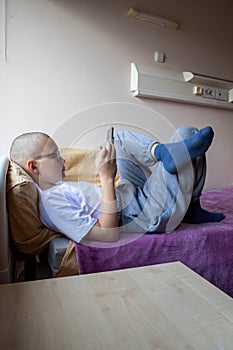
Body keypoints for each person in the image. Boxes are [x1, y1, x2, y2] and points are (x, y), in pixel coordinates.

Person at [9, 125, 225, 243]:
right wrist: (106, 178)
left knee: (120, 139)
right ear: (34, 167)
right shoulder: (52, 204)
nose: (63, 160)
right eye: (55, 156)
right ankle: (172, 166)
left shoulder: (56, 189)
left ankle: (164, 156)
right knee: (187, 137)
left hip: (130, 194)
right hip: (141, 213)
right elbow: (108, 235)